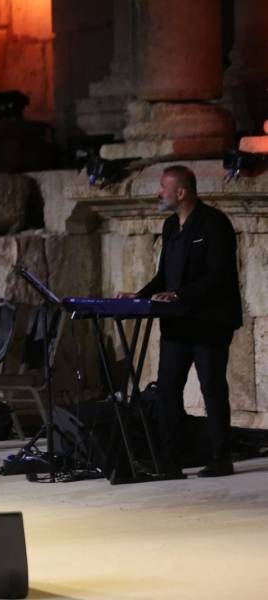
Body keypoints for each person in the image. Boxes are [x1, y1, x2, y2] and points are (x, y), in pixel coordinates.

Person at [118, 165, 241, 479]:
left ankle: (220, 458)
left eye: (163, 187)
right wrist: (140, 296)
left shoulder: (214, 223)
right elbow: (164, 276)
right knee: (168, 388)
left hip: (209, 321)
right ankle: (170, 461)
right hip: (177, 322)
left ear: (181, 192)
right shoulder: (171, 225)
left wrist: (180, 294)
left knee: (212, 387)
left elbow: (219, 275)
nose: (159, 193)